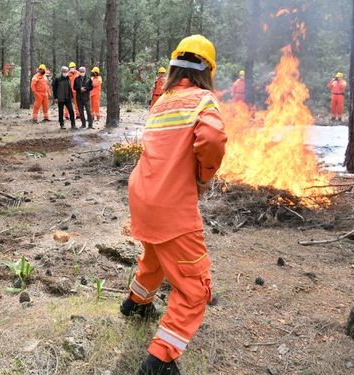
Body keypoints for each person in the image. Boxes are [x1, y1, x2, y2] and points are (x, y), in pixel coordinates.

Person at [122, 34, 226, 375]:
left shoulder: (163, 99)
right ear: (207, 70)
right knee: (195, 287)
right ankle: (161, 359)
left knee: (155, 255)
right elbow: (211, 139)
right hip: (171, 204)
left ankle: (136, 303)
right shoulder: (203, 100)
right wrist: (203, 174)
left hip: (143, 195)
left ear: (174, 67)